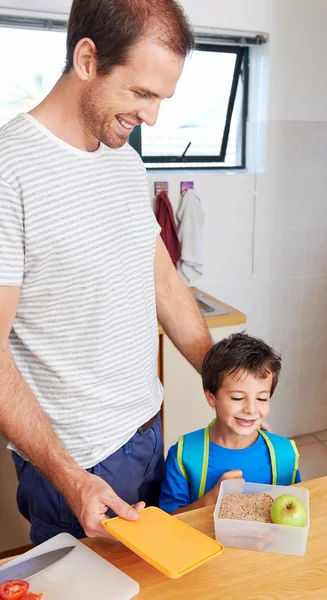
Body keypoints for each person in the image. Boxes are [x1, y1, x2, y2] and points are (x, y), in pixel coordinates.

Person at [0, 0, 215, 546]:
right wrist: (72, 480)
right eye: (142, 94)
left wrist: (220, 373)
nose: (152, 118)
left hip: (146, 431)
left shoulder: (123, 159)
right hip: (78, 463)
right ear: (88, 59)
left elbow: (162, 279)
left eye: (161, 99)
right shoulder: (10, 172)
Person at [159, 333, 301, 514]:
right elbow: (168, 521)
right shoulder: (184, 455)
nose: (251, 409)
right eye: (238, 397)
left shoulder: (285, 455)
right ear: (211, 397)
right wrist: (210, 500)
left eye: (262, 398)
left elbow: (295, 512)